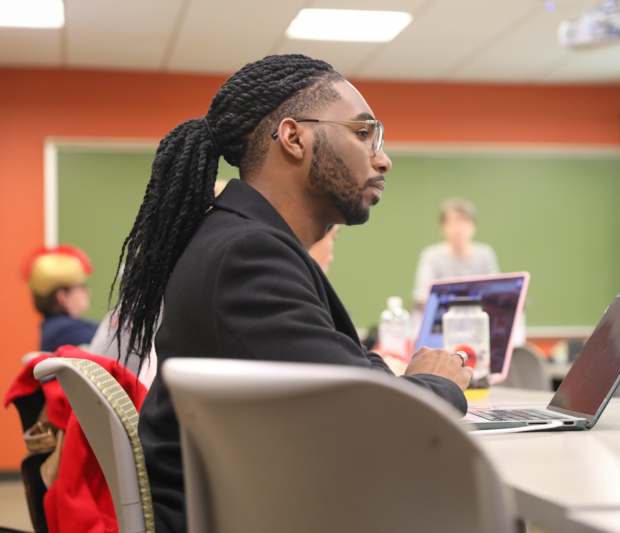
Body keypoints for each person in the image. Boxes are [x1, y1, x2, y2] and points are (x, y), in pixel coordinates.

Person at [111, 54, 472, 533]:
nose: (382, 158)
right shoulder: (247, 256)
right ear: (294, 137)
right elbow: (379, 430)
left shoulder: (244, 241)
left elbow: (341, 381)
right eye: (363, 133)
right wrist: (439, 383)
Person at [412, 198, 500, 306]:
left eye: (464, 222)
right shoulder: (431, 256)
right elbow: (421, 296)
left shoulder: (485, 254)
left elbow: (496, 293)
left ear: (473, 226)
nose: (458, 229)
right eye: (452, 222)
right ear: (443, 227)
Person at [22, 245, 98, 352]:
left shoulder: (54, 328)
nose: (87, 293)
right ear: (62, 296)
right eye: (82, 287)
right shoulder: (65, 331)